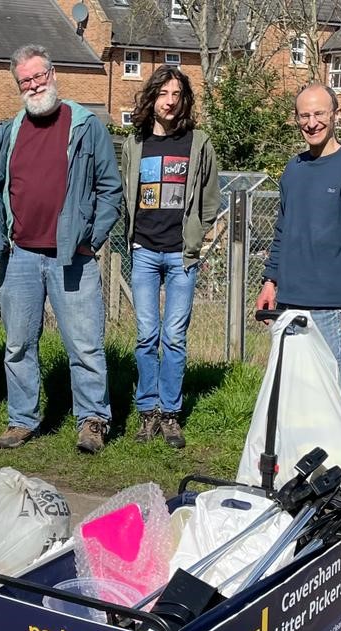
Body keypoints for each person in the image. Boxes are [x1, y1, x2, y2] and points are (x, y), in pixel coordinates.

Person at [0, 44, 122, 454]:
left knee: (84, 343)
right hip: (20, 255)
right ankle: (22, 418)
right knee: (18, 344)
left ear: (53, 72)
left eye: (39, 76)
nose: (34, 85)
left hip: (71, 257)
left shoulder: (85, 125)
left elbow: (110, 189)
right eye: (25, 80)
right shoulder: (8, 132)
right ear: (18, 86)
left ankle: (93, 420)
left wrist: (89, 240)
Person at [256, 82, 341, 445]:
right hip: (290, 303)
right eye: (304, 115)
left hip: (333, 308)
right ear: (296, 119)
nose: (312, 123)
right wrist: (270, 281)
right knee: (294, 395)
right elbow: (282, 231)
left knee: (338, 393)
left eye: (319, 114)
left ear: (335, 115)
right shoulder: (293, 170)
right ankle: (301, 464)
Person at [121, 65, 220, 449]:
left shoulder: (198, 142)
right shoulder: (135, 143)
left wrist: (196, 232)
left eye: (177, 94)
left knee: (174, 338)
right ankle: (147, 412)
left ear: (184, 100)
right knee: (147, 336)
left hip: (182, 256)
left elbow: (210, 198)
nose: (170, 101)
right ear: (152, 98)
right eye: (163, 93)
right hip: (144, 251)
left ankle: (170, 414)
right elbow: (126, 194)